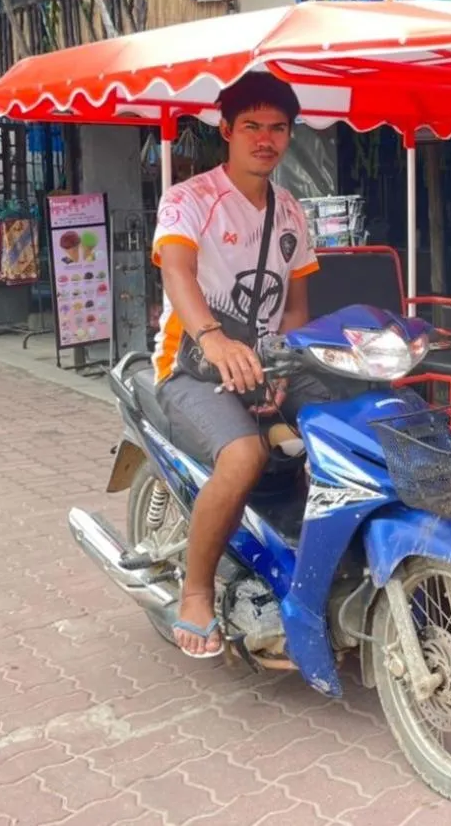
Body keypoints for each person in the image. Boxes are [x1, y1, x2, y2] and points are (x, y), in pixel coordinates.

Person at [151, 71, 318, 658]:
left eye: (277, 128)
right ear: (226, 129)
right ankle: (196, 591)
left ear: (290, 136)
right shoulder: (189, 199)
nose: (265, 138)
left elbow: (296, 305)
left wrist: (284, 368)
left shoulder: (292, 211)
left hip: (266, 368)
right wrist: (215, 338)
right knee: (245, 454)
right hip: (192, 365)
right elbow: (176, 270)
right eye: (251, 126)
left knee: (347, 428)